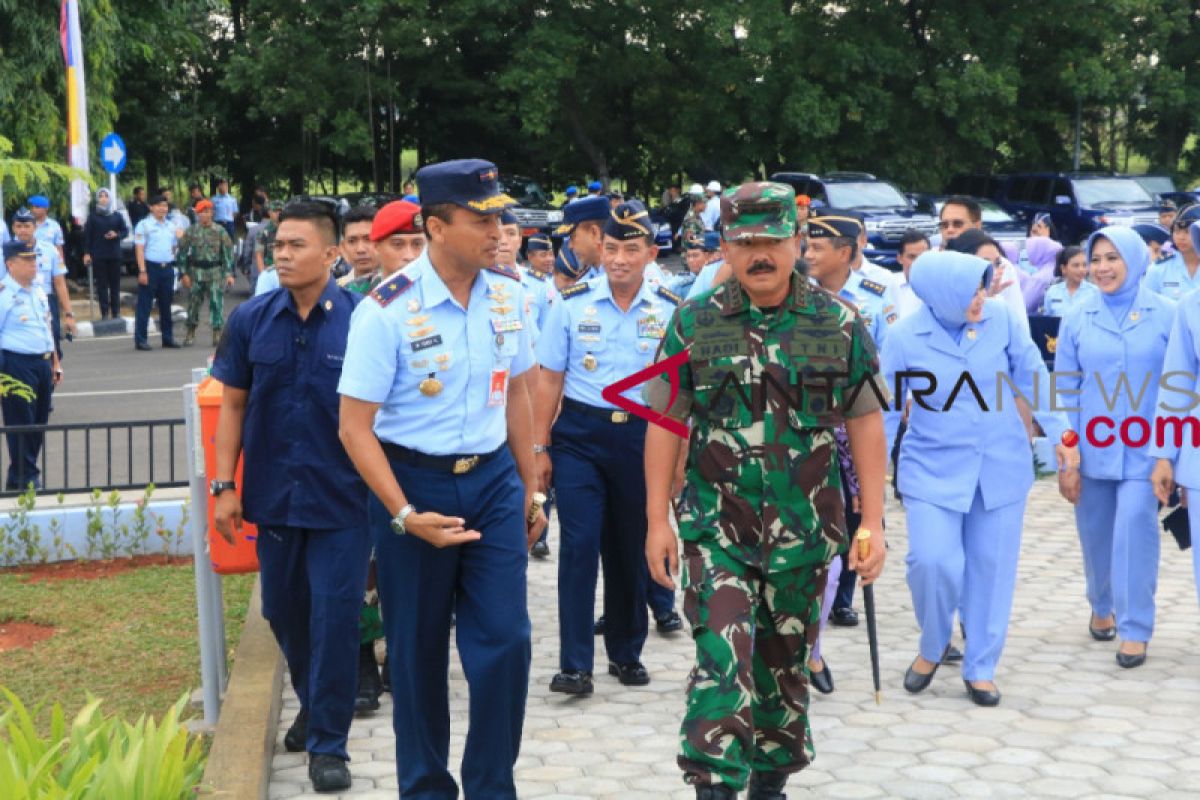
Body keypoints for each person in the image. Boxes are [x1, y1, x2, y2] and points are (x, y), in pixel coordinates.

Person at [643, 181, 887, 799]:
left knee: (782, 673)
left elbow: (864, 420)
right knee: (724, 665)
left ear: (797, 242)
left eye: (771, 240)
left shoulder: (836, 321)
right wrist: (655, 521)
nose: (758, 253)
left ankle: (770, 785)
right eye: (744, 240)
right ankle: (715, 787)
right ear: (724, 243)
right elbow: (666, 418)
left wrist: (874, 523)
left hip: (804, 531)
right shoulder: (694, 320)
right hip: (714, 529)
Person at [337, 159, 546, 800]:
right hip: (413, 487)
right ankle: (427, 788)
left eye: (499, 216)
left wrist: (531, 483)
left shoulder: (512, 295)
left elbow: (518, 393)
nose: (498, 229)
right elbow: (353, 428)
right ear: (436, 226)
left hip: (492, 485)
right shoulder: (385, 311)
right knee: (416, 653)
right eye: (480, 218)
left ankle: (490, 786)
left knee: (506, 643)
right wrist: (402, 514)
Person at [211, 200, 369, 793]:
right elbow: (232, 406)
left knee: (334, 617)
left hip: (345, 499)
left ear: (331, 255)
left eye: (296, 245)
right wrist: (225, 486)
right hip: (274, 495)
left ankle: (330, 744)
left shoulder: (362, 319)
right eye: (278, 244)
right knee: (282, 608)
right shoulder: (252, 319)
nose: (282, 254)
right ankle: (315, 700)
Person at [884, 250, 1072, 707]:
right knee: (932, 562)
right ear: (940, 292)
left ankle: (981, 667)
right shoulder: (904, 336)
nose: (980, 298)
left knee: (991, 569)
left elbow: (1033, 375)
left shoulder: (1002, 320)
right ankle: (933, 645)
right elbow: (885, 410)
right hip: (931, 467)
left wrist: (1064, 437)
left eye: (983, 287)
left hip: (999, 465)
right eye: (971, 290)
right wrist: (865, 478)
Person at [534, 199, 682, 698]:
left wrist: (679, 460)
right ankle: (575, 664)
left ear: (651, 252)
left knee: (627, 545)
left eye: (631, 249)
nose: (619, 259)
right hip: (580, 436)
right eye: (612, 247)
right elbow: (548, 380)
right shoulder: (571, 304)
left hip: (643, 440)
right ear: (599, 248)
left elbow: (679, 391)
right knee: (578, 545)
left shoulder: (669, 309)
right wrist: (539, 448)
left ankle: (625, 651)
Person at [1054, 226, 1173, 669]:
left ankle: (1135, 627)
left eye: (1112, 258)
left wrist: (1170, 451)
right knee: (1096, 537)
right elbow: (1063, 392)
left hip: (1148, 454)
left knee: (1134, 532)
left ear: (1135, 260)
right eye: (1096, 259)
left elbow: (1179, 390)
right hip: (1090, 452)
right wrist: (1067, 454)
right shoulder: (1078, 316)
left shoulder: (1168, 314)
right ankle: (1101, 604)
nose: (1102, 268)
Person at [0, 239, 62, 491]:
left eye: (34, 259)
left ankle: (18, 477)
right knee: (20, 423)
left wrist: (55, 362)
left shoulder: (37, 290)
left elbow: (46, 327)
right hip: (15, 364)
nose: (33, 264)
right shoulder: (4, 295)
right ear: (10, 264)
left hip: (41, 363)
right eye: (27, 260)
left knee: (37, 423)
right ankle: (28, 478)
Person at [938, 197, 1029, 333]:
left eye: (957, 224)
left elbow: (1018, 322)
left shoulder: (1000, 265)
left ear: (977, 226)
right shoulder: (930, 264)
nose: (949, 230)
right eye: (944, 225)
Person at [10, 209, 76, 353]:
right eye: (19, 226)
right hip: (16, 303)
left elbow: (60, 283)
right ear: (13, 228)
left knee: (52, 346)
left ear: (35, 227)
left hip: (46, 301)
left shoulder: (49, 250)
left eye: (27, 226)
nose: (23, 230)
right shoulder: (5, 253)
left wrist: (69, 314)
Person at [177, 199, 236, 347]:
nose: (206, 214)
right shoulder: (191, 231)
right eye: (203, 211)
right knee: (193, 304)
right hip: (196, 272)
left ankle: (217, 333)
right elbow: (182, 253)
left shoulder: (220, 231)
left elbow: (227, 254)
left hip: (215, 272)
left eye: (208, 211)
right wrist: (183, 274)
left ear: (212, 213)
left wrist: (228, 273)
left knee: (216, 303)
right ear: (198, 214)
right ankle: (190, 331)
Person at [133, 194, 181, 350]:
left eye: (165, 206)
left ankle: (168, 338)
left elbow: (174, 247)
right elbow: (139, 249)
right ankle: (141, 339)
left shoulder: (171, 226)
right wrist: (142, 271)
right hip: (150, 267)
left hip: (166, 268)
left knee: (166, 305)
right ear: (151, 207)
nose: (163, 209)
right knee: (145, 305)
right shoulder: (144, 225)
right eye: (159, 205)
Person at [83, 188, 129, 320]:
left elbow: (125, 231)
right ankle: (104, 313)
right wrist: (87, 253)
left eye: (106, 196)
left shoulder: (117, 216)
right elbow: (88, 237)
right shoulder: (93, 217)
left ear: (110, 198)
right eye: (101, 196)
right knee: (102, 285)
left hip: (114, 254)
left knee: (115, 285)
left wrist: (117, 234)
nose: (103, 199)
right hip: (99, 255)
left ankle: (116, 312)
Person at [1144, 204, 1200, 300]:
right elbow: (1147, 304)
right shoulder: (1160, 268)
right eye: (1176, 231)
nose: (1181, 237)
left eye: (1187, 232)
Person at [553, 195, 610, 280]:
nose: (570, 246)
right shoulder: (585, 280)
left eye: (573, 237)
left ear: (594, 233)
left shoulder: (623, 280)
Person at [369, 199, 425, 279]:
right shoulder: (356, 290)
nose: (409, 256)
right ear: (376, 247)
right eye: (398, 244)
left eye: (417, 244)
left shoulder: (443, 289)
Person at [1040, 246, 1097, 317]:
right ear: (1063, 268)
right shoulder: (1052, 292)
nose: (1081, 270)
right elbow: (1047, 321)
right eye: (1076, 265)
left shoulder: (1095, 292)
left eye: (1084, 265)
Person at [335, 206, 380, 294]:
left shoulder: (397, 286)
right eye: (352, 241)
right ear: (343, 248)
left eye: (368, 239)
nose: (360, 249)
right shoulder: (335, 290)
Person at [1018, 235, 1063, 314]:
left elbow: (1025, 305)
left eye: (1032, 250)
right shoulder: (1056, 267)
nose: (1028, 253)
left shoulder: (1040, 278)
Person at [894, 229, 930, 321]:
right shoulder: (888, 284)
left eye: (922, 257)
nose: (917, 262)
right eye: (912, 257)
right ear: (900, 258)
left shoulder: (940, 288)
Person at [26, 195, 65, 267]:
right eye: (32, 207)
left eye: (37, 207)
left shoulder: (54, 226)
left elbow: (59, 249)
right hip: (29, 264)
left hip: (49, 265)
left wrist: (61, 267)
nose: (33, 210)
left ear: (46, 209)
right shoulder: (26, 225)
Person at [254, 200, 283, 288]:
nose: (278, 213)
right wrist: (263, 275)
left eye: (280, 211)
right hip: (270, 271)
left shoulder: (290, 231)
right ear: (269, 212)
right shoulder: (264, 233)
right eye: (275, 211)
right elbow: (259, 255)